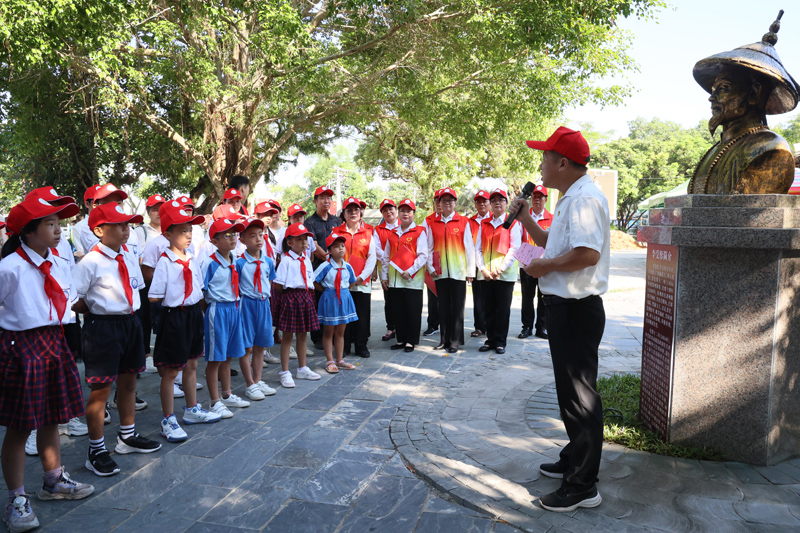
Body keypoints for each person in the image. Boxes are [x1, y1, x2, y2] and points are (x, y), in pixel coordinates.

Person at [513, 126, 609, 512]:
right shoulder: (573, 197)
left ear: (562, 162)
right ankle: (575, 457)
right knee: (572, 394)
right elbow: (552, 244)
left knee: (580, 398)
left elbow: (587, 255)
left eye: (545, 158)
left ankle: (582, 485)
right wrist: (525, 222)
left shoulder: (584, 199)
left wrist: (543, 267)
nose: (540, 166)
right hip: (565, 308)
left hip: (575, 308)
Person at [0, 196, 94, 532]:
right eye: (50, 224)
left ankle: (53, 481)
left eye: (58, 223)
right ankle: (17, 499)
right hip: (23, 346)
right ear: (28, 231)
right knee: (20, 425)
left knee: (53, 416)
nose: (58, 230)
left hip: (54, 341)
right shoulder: (9, 267)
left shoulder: (58, 261)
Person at [73, 203, 162, 477]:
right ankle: (96, 449)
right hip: (103, 328)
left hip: (130, 323)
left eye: (127, 224)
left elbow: (136, 289)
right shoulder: (90, 262)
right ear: (99, 230)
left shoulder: (127, 256)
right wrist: (97, 312)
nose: (126, 230)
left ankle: (127, 435)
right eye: (119, 225)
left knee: (129, 383)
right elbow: (74, 299)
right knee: (101, 390)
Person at [149, 201, 222, 443]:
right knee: (170, 371)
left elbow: (199, 288)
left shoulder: (191, 258)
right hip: (174, 316)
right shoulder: (164, 262)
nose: (188, 235)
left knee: (192, 365)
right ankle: (168, 418)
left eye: (190, 230)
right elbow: (155, 296)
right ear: (167, 234)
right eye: (182, 230)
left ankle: (192, 409)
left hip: (192, 314)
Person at [200, 218, 251, 418]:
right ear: (214, 241)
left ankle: (227, 393)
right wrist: (207, 314)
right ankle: (214, 401)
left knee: (229, 355)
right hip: (217, 310)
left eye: (235, 234)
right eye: (227, 235)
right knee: (215, 358)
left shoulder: (235, 261)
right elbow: (201, 291)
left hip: (234, 309)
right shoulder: (209, 263)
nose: (233, 238)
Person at [424, 188, 475, 353]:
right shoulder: (433, 223)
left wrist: (470, 272)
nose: (447, 203)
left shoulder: (463, 222)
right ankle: (444, 340)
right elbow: (429, 248)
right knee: (443, 307)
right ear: (439, 203)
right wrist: (430, 267)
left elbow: (469, 248)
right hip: (440, 273)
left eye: (450, 200)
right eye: (443, 200)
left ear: (455, 203)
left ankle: (454, 341)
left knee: (457, 307)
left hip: (458, 272)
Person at [273, 223, 322, 388]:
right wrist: (289, 296)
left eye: (305, 239)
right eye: (299, 239)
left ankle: (302, 368)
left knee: (303, 335)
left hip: (305, 298)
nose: (303, 243)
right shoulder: (286, 261)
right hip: (291, 298)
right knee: (287, 336)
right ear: (289, 242)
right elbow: (278, 285)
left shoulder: (306, 260)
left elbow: (309, 281)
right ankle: (285, 372)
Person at [234, 217, 278, 400]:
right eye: (252, 236)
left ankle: (258, 380)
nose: (258, 239)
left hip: (263, 304)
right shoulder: (239, 263)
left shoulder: (268, 261)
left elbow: (269, 282)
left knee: (261, 345)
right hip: (247, 306)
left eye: (260, 235)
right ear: (242, 240)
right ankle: (249, 384)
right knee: (247, 348)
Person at [475, 189, 522, 355]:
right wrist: (483, 269)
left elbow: (515, 248)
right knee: (488, 309)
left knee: (502, 310)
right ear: (490, 204)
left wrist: (500, 269)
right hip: (487, 275)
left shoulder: (513, 223)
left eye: (500, 200)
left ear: (506, 203)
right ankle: (490, 340)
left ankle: (500, 341)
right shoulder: (484, 223)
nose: (497, 203)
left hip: (504, 275)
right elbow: (478, 249)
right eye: (493, 200)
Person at [381, 199, 428, 352]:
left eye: (409, 211)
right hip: (395, 281)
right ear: (398, 213)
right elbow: (386, 257)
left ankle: (411, 341)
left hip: (412, 281)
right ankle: (401, 339)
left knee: (412, 311)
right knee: (398, 311)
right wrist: (384, 276)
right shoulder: (393, 233)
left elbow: (423, 255)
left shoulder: (420, 231)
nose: (405, 214)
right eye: (402, 211)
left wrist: (411, 270)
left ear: (413, 214)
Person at [332, 197, 377, 358]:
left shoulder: (368, 233)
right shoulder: (336, 232)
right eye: (349, 210)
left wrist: (361, 277)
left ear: (361, 213)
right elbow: (331, 256)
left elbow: (372, 258)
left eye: (356, 210)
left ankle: (361, 345)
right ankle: (343, 346)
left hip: (362, 282)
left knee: (362, 314)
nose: (353, 213)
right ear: (343, 214)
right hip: (342, 282)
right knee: (344, 315)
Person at [313, 232, 358, 373]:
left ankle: (340, 360)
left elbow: (352, 281)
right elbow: (314, 281)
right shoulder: (325, 266)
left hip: (344, 299)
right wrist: (326, 291)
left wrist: (343, 292)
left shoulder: (348, 266)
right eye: (336, 246)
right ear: (329, 251)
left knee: (340, 331)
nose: (341, 249)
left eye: (343, 246)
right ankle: (330, 360)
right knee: (328, 331)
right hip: (330, 299)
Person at [304, 186, 340, 350]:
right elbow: (314, 245)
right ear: (315, 201)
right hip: (318, 269)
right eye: (322, 198)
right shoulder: (309, 222)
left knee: (333, 300)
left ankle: (332, 334)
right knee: (319, 301)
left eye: (328, 198)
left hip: (335, 269)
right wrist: (329, 260)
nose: (326, 201)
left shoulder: (336, 221)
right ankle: (318, 337)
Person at [134, 194, 166, 373]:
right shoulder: (141, 231)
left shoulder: (170, 231)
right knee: (145, 318)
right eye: (155, 209)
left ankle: (162, 354)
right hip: (147, 281)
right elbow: (139, 258)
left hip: (166, 283)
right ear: (148, 212)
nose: (159, 213)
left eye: (161, 209)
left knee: (163, 319)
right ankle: (146, 355)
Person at [519, 185, 552, 340]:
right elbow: (517, 239)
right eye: (534, 197)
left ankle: (542, 327)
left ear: (546, 199)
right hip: (526, 264)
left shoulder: (552, 218)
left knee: (543, 297)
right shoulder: (523, 217)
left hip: (544, 265)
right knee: (527, 297)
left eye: (541, 197)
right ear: (531, 199)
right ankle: (526, 327)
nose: (537, 200)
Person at [373, 199, 399, 342]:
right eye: (385, 210)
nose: (388, 212)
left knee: (402, 298)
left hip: (403, 270)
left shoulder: (404, 226)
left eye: (391, 209)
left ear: (396, 210)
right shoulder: (378, 230)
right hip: (386, 269)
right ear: (382, 213)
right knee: (389, 300)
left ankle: (402, 326)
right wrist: (389, 258)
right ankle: (391, 327)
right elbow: (376, 248)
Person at [468, 190, 491, 338]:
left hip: (492, 263)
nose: (482, 204)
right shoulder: (470, 222)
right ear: (475, 204)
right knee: (478, 297)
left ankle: (492, 325)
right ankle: (480, 326)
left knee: (492, 297)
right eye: (479, 201)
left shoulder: (497, 219)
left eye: (485, 201)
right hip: (476, 265)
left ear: (489, 203)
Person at [422, 193, 442, 337]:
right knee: (433, 295)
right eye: (437, 201)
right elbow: (424, 243)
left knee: (449, 297)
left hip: (450, 262)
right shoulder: (428, 220)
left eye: (443, 201)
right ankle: (433, 324)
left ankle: (449, 324)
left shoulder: (459, 219)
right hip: (432, 261)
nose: (440, 204)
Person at [71, 185, 102, 259]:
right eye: (98, 202)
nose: (102, 206)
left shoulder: (113, 224)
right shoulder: (79, 228)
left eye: (106, 201)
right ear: (87, 204)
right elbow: (84, 257)